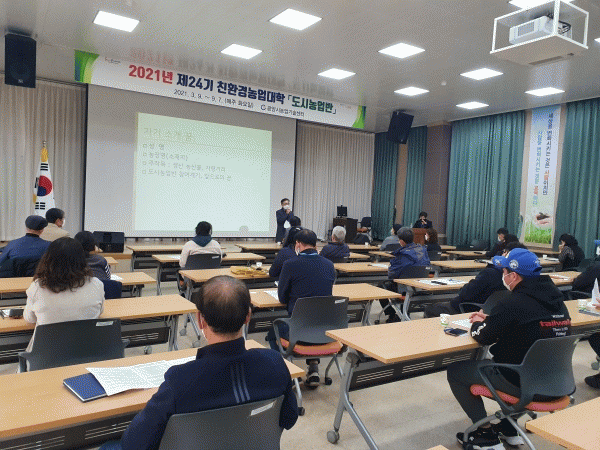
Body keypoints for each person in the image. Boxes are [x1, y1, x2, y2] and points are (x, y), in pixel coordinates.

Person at [101, 276, 298, 450]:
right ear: (248, 316)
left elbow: (134, 444)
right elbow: (289, 419)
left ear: (200, 320)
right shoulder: (274, 363)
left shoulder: (179, 381)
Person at [447, 248, 571, 450]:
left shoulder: (512, 302)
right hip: (557, 382)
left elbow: (483, 337)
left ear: (513, 276)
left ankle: (484, 434)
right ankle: (509, 428)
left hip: (523, 383)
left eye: (504, 272)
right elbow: (528, 324)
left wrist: (477, 324)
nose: (502, 276)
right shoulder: (558, 302)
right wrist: (494, 320)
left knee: (456, 371)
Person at [267, 229, 336, 387]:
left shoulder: (290, 264)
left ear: (298, 244)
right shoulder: (329, 264)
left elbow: (282, 298)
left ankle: (289, 373)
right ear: (315, 244)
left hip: (298, 330)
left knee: (273, 333)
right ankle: (313, 369)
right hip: (324, 329)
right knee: (312, 317)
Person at [24, 237, 105, 347]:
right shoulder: (96, 284)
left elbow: (30, 319)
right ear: (82, 260)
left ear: (48, 259)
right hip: (86, 350)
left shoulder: (38, 287)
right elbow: (99, 312)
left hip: (47, 353)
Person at [424, 242, 526, 318]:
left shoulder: (490, 273)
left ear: (506, 254)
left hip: (467, 309)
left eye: (504, 252)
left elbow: (465, 293)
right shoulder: (521, 279)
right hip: (492, 312)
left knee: (431, 309)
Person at [382, 227, 430, 322]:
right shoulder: (423, 250)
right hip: (420, 287)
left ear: (402, 241)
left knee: (381, 286)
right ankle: (404, 313)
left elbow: (392, 275)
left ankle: (392, 315)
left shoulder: (402, 255)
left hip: (403, 290)